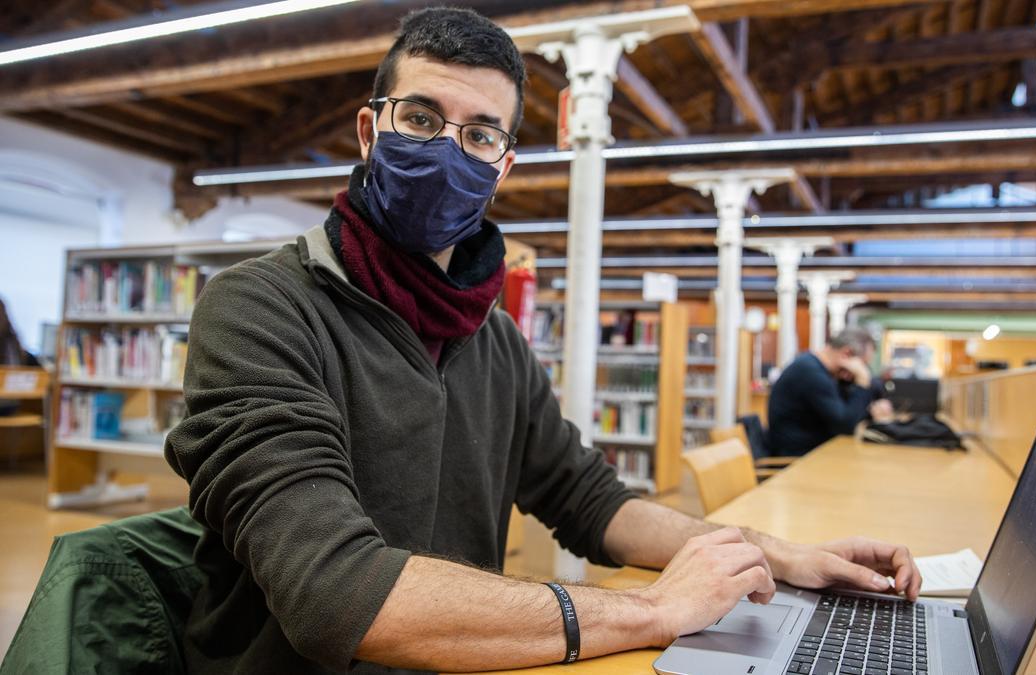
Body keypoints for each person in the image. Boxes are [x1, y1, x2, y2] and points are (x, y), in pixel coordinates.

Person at [164, 8, 921, 674]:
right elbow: (336, 593)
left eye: (480, 134)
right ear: (371, 131)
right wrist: (654, 610)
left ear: (502, 166)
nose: (447, 150)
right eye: (421, 119)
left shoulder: (491, 336)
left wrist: (774, 555)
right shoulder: (259, 308)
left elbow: (589, 499)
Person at [768, 328, 894, 457]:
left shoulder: (819, 369)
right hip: (797, 461)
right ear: (846, 354)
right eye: (862, 365)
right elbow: (844, 426)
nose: (862, 370)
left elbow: (846, 414)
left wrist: (872, 412)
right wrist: (862, 382)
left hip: (815, 454)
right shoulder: (810, 372)